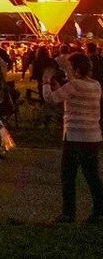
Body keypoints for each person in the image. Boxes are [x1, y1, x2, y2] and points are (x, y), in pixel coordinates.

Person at [44, 52, 103, 223]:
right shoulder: (96, 85)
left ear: (76, 68)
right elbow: (73, 93)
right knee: (92, 176)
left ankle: (69, 213)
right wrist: (61, 85)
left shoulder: (74, 85)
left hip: (75, 136)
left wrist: (46, 82)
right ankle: (99, 212)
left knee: (68, 176)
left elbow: (50, 99)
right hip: (93, 136)